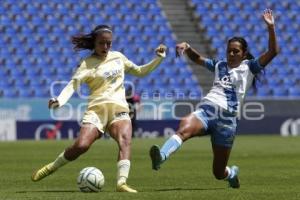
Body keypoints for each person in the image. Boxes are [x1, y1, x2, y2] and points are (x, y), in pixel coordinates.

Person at [150, 9, 279, 188]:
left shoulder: (250, 67)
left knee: (218, 173)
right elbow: (198, 59)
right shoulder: (220, 65)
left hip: (227, 121)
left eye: (235, 51)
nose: (232, 54)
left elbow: (273, 52)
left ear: (243, 53)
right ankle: (161, 156)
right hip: (207, 110)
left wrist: (271, 27)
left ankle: (231, 173)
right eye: (229, 51)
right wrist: (187, 47)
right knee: (184, 127)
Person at [31, 24, 167, 193]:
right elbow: (73, 84)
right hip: (96, 111)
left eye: (109, 43)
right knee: (81, 146)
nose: (106, 47)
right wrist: (59, 100)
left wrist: (159, 58)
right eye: (102, 43)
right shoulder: (86, 64)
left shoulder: (118, 57)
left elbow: (140, 71)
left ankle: (121, 183)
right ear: (94, 43)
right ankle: (52, 167)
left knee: (125, 141)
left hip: (119, 109)